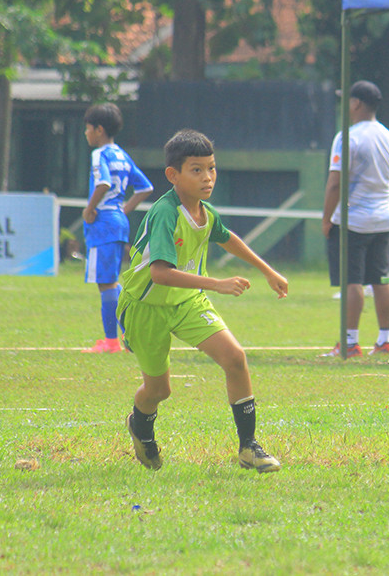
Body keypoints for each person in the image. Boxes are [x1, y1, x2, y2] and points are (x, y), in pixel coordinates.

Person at [118, 129, 288, 472]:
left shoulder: (205, 212)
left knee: (235, 358)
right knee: (159, 390)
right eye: (196, 170)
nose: (208, 177)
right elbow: (160, 274)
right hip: (145, 308)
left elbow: (227, 238)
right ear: (173, 175)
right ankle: (140, 425)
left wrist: (268, 271)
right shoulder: (166, 213)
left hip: (187, 303)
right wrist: (217, 284)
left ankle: (248, 448)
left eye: (211, 168)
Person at [321, 80, 389, 362]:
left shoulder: (347, 137)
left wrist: (327, 218)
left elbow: (335, 183)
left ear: (356, 103)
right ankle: (385, 340)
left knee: (351, 280)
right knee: (380, 279)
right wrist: (382, 205)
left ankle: (350, 342)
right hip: (382, 219)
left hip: (352, 220)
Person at [81, 103, 153, 353]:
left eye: (88, 129)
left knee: (105, 282)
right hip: (117, 220)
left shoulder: (100, 154)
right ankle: (131, 332)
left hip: (103, 222)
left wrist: (89, 209)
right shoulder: (122, 154)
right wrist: (124, 210)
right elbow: (145, 187)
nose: (86, 133)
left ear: (99, 130)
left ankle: (112, 342)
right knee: (110, 281)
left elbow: (102, 183)